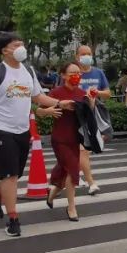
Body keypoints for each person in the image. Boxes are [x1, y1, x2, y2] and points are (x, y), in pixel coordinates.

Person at [0, 32, 70, 238]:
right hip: (0, 128)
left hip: (22, 129)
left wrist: (60, 103)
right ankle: (13, 219)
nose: (21, 48)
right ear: (4, 50)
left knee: (13, 173)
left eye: (22, 44)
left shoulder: (28, 71)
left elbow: (38, 96)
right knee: (10, 175)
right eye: (16, 45)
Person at [46, 61, 95, 221]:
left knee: (65, 170)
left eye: (78, 73)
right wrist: (49, 111)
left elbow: (88, 116)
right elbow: (39, 110)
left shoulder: (81, 93)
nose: (76, 76)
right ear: (63, 75)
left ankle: (52, 194)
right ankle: (71, 207)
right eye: (72, 73)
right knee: (73, 169)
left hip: (75, 139)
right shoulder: (55, 93)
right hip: (60, 138)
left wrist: (91, 102)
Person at [74, 44, 111, 195]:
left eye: (89, 54)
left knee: (83, 151)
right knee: (83, 150)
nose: (86, 56)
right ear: (77, 56)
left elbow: (108, 93)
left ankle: (67, 178)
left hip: (93, 115)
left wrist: (97, 93)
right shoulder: (73, 73)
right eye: (83, 54)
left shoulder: (98, 72)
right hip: (76, 115)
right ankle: (91, 183)